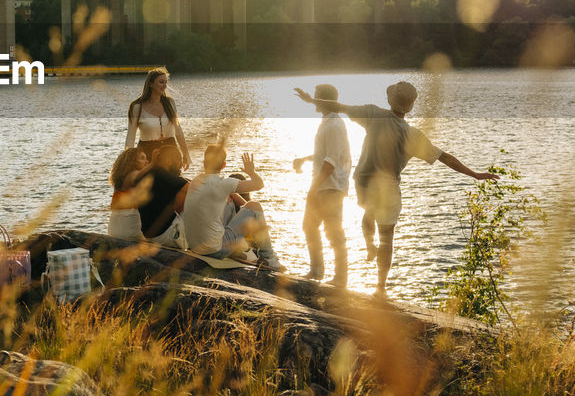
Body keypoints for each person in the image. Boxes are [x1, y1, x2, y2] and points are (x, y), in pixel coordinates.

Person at [294, 81, 497, 296]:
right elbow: (445, 157)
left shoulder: (374, 114)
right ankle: (380, 287)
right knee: (387, 237)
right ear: (409, 107)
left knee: (368, 214)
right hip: (390, 187)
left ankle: (369, 244)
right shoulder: (412, 135)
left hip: (364, 182)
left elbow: (338, 107)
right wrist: (475, 174)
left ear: (390, 100)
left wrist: (311, 100)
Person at [181, 144, 285, 271]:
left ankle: (241, 250)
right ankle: (269, 258)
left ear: (204, 163)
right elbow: (259, 185)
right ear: (224, 165)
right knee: (254, 206)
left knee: (226, 205)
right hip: (214, 250)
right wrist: (251, 172)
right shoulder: (222, 184)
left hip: (195, 247)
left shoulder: (195, 182)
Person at [294, 83, 351, 286]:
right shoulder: (328, 121)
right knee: (310, 226)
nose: (314, 101)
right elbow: (325, 154)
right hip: (324, 185)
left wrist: (313, 188)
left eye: (317, 97)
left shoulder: (335, 124)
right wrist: (305, 159)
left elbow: (331, 163)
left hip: (330, 187)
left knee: (333, 231)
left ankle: (340, 278)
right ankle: (316, 271)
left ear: (325, 100)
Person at [125, 67, 190, 169]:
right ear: (150, 84)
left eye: (166, 82)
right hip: (147, 153)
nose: (164, 86)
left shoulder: (170, 103)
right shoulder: (137, 106)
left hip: (171, 151)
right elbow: (130, 136)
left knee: (173, 183)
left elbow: (178, 131)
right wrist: (127, 161)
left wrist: (186, 154)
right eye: (161, 82)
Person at [133, 145, 189, 248]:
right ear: (168, 160)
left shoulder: (151, 174)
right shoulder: (164, 176)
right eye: (178, 159)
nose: (181, 163)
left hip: (150, 235)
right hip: (166, 236)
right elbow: (194, 189)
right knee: (195, 199)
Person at [107, 147, 152, 241]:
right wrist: (155, 163)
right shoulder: (134, 174)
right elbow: (139, 176)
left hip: (114, 227)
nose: (146, 161)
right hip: (129, 227)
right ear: (132, 162)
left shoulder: (120, 177)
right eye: (142, 158)